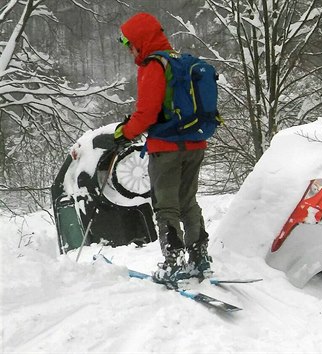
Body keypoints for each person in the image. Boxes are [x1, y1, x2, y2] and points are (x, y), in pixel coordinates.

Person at [113, 13, 211, 284]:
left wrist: (124, 133)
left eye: (129, 44)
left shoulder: (153, 65)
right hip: (195, 144)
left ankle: (173, 263)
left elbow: (146, 114)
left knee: (166, 206)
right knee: (188, 201)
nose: (129, 50)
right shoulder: (180, 61)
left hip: (166, 148)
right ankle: (199, 257)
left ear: (140, 41)